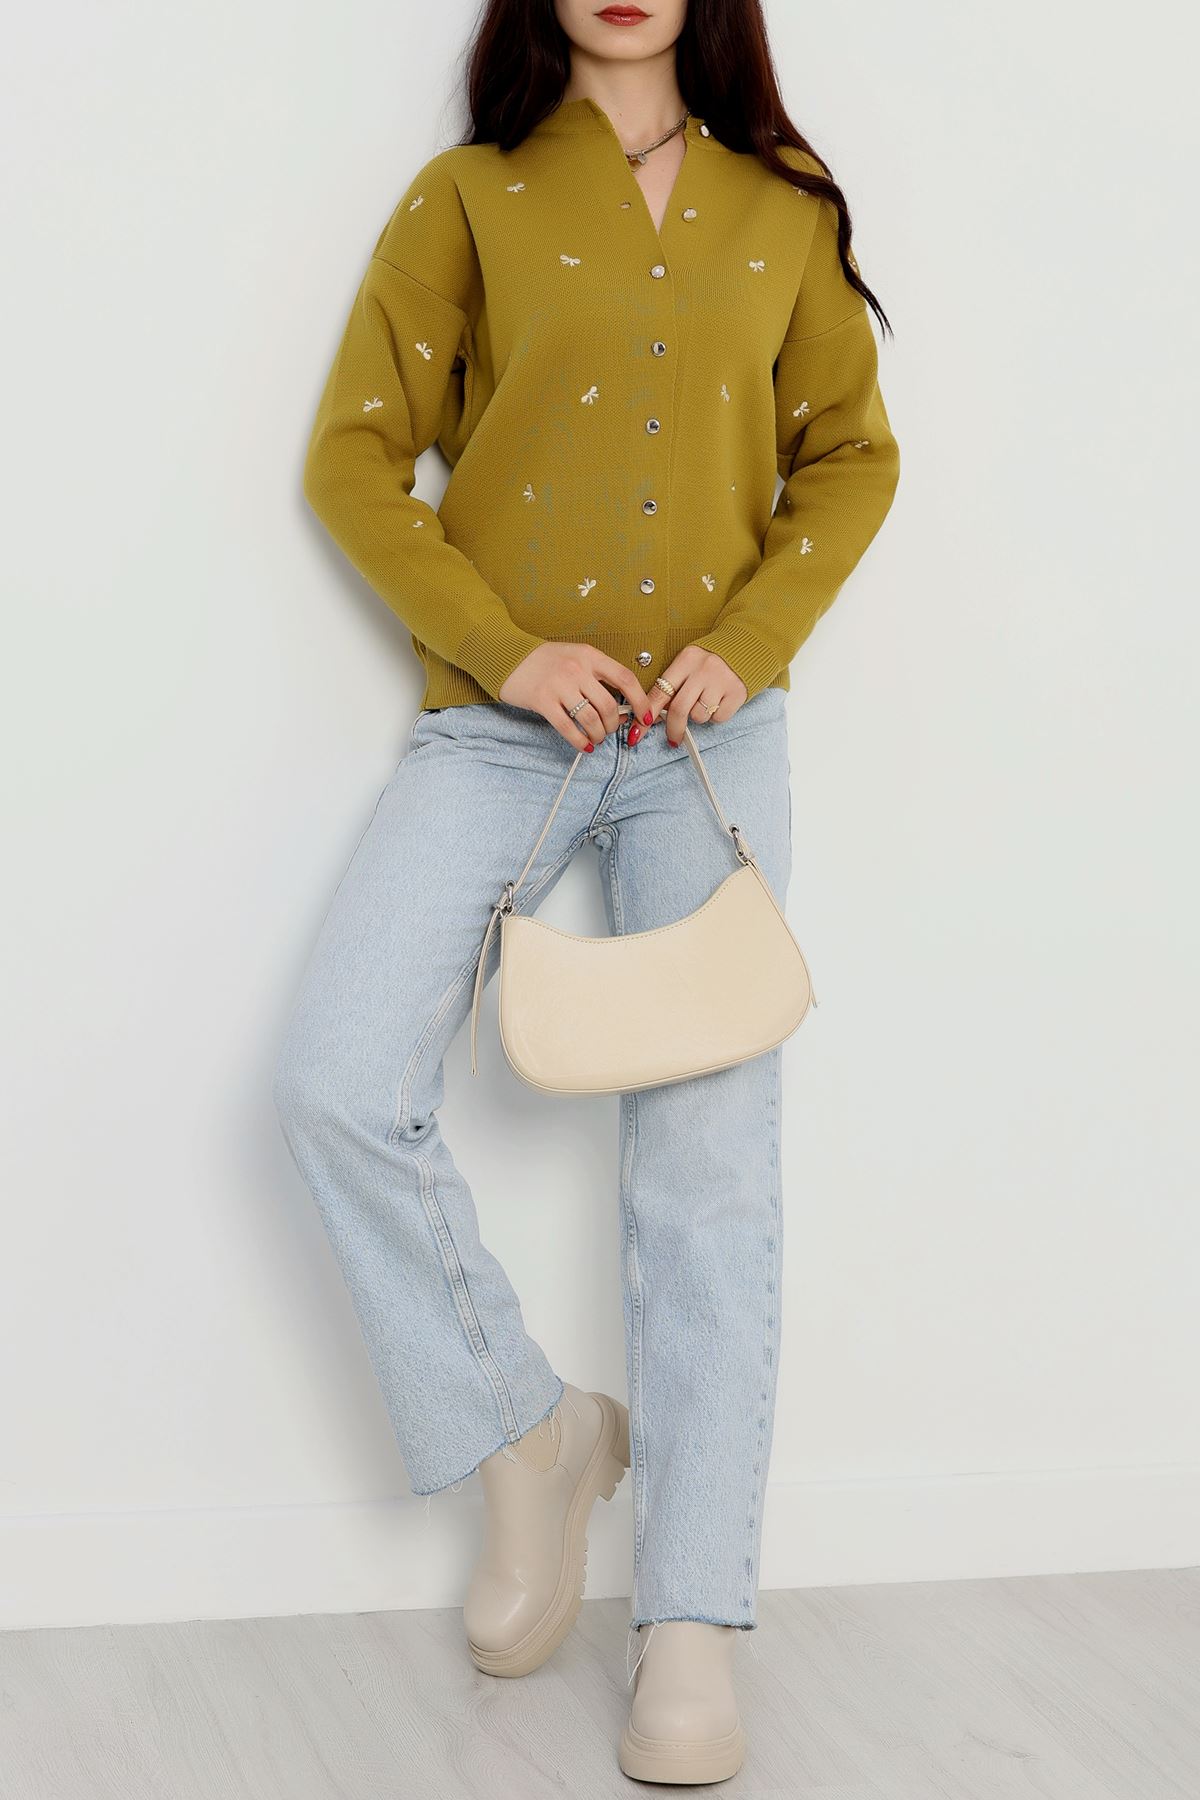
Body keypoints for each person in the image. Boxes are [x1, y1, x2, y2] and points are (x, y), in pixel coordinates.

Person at [273, 0, 900, 1783]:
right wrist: (503, 649)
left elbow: (852, 457)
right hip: (503, 731)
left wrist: (748, 639)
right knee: (335, 1079)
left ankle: (690, 1625)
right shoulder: (467, 195)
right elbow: (352, 455)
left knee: (707, 1176)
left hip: (709, 738)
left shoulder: (785, 204)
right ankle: (532, 1432)